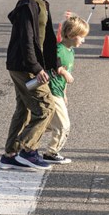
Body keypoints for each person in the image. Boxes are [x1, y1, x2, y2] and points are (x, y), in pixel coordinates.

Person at [0, 0, 58, 171]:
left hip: (27, 65)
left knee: (23, 109)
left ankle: (10, 154)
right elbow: (26, 40)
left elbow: (48, 39)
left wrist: (54, 65)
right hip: (24, 66)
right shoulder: (27, 7)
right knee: (45, 107)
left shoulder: (43, 5)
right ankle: (27, 150)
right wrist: (36, 68)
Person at [38, 14, 89, 165]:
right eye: (81, 36)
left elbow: (65, 79)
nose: (83, 40)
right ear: (70, 35)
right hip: (51, 92)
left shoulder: (71, 52)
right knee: (64, 125)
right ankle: (51, 152)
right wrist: (63, 71)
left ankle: (26, 141)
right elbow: (53, 63)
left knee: (47, 123)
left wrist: (65, 95)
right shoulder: (58, 49)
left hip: (59, 93)